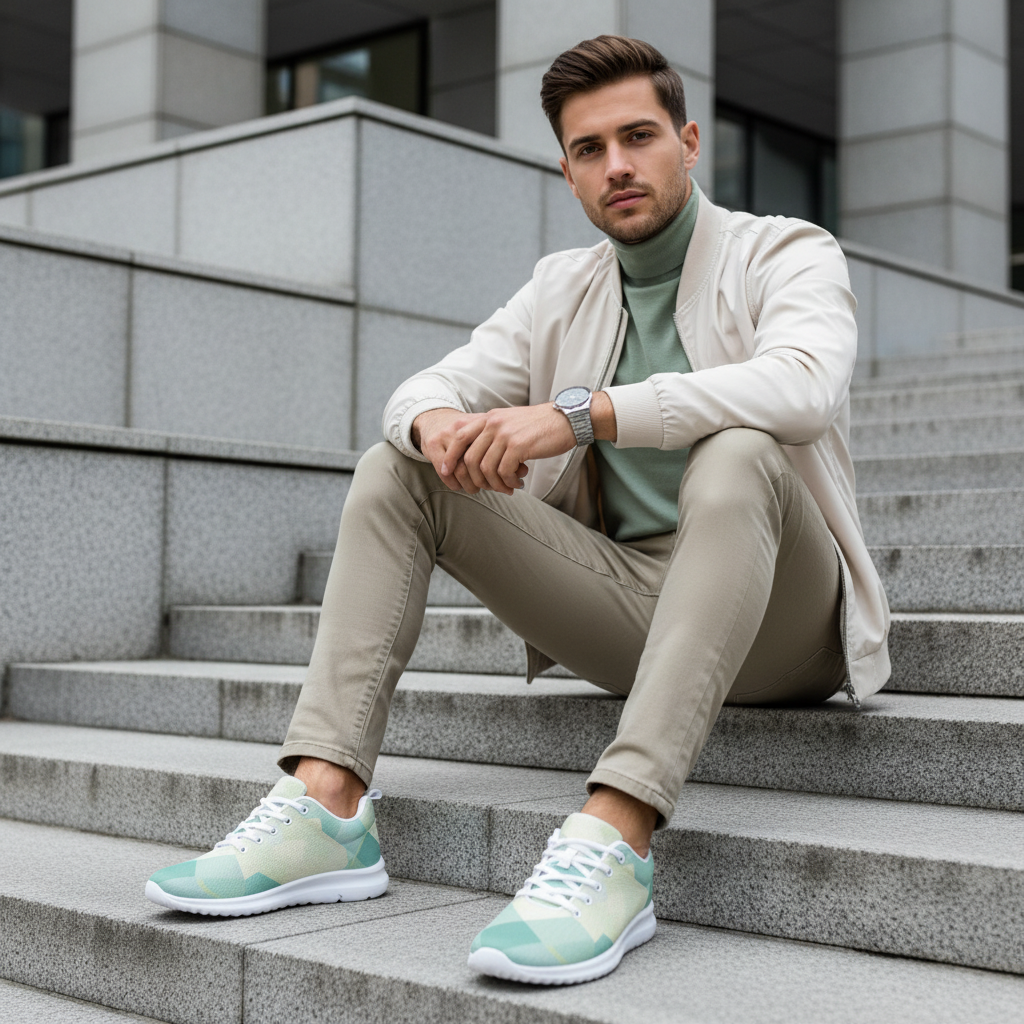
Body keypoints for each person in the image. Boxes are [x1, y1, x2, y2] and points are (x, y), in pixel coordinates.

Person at [145, 35, 890, 985]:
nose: (617, 165)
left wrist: (582, 414)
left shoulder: (785, 250)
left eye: (638, 136)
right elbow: (418, 391)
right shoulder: (559, 288)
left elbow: (802, 388)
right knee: (396, 468)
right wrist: (446, 426)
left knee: (739, 451)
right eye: (590, 150)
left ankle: (615, 842)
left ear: (689, 142)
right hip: (633, 607)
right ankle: (325, 809)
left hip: (786, 626)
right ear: (569, 173)